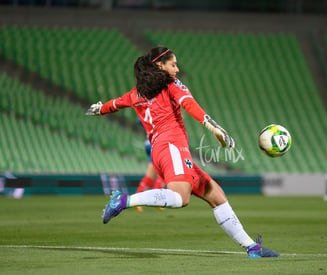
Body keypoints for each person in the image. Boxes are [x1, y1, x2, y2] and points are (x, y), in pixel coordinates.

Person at [86, 46, 278, 258]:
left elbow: (114, 104)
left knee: (215, 194)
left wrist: (98, 109)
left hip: (162, 151)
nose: (177, 69)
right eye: (173, 64)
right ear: (160, 65)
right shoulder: (170, 84)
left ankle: (251, 248)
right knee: (180, 198)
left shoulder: (136, 94)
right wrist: (214, 128)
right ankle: (124, 201)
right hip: (171, 147)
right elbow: (189, 104)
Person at [135, 136, 165, 212]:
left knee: (151, 176)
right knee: (163, 174)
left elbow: (139, 123)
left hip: (149, 142)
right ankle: (157, 200)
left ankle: (137, 200)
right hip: (157, 142)